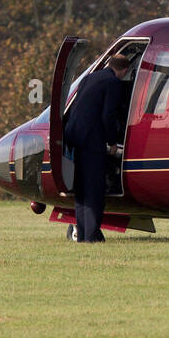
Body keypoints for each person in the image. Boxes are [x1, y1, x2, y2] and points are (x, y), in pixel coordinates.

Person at [63, 54, 130, 243]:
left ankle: (84, 233)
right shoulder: (113, 83)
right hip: (92, 140)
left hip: (75, 137)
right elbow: (108, 114)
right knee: (94, 189)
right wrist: (112, 141)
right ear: (124, 71)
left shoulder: (89, 78)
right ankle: (91, 235)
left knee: (81, 189)